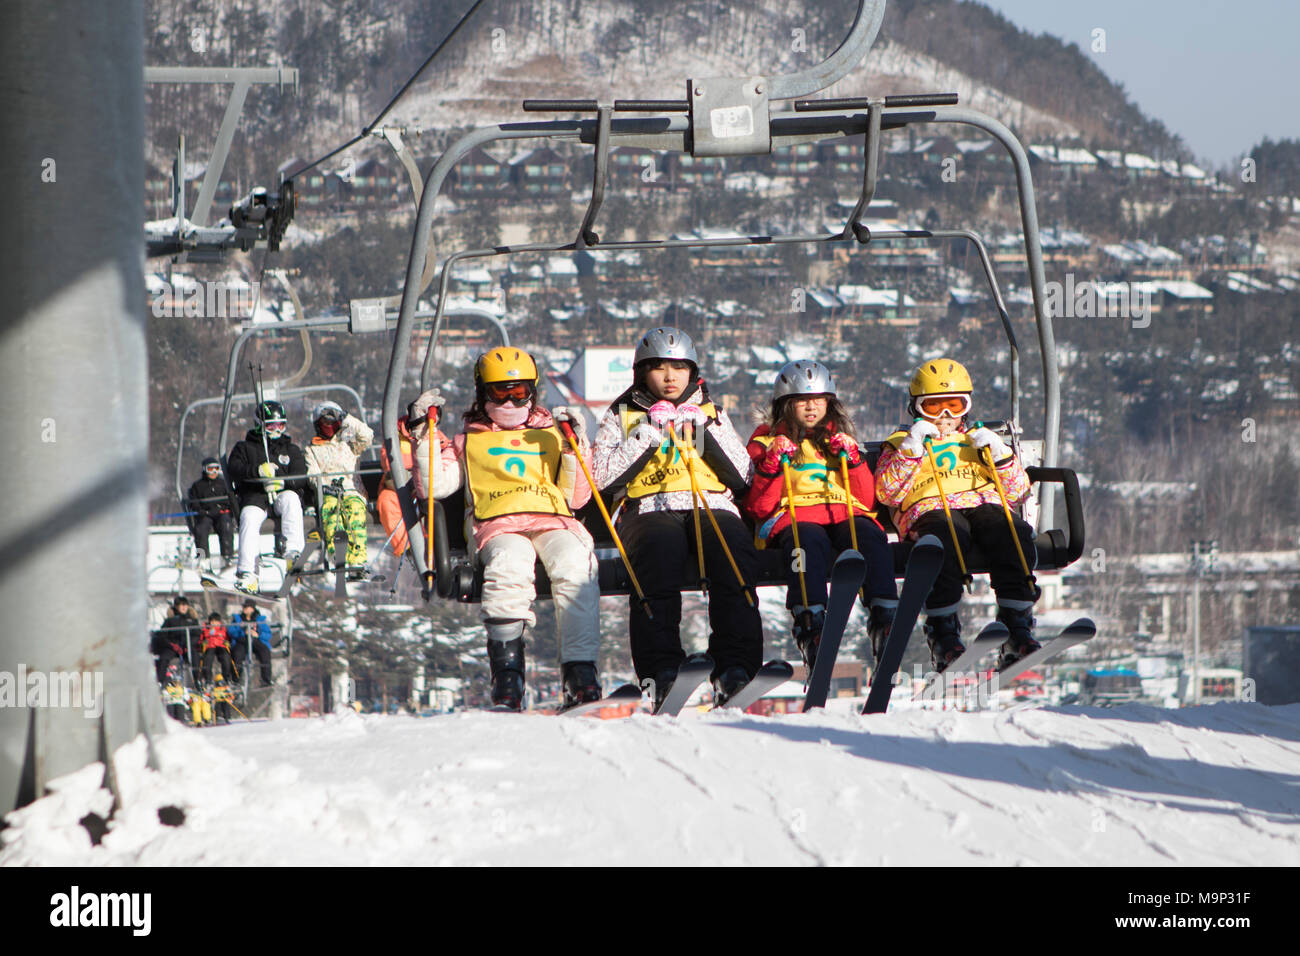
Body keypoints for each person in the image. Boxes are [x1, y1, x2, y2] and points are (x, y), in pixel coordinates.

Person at [592, 326, 763, 708]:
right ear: (641, 372)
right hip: (651, 506)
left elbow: (744, 475)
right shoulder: (622, 415)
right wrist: (648, 433)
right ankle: (662, 670)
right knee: (656, 562)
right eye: (659, 368)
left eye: (679, 368)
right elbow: (601, 476)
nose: (670, 378)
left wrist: (704, 428)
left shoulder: (709, 411)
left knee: (734, 558)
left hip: (710, 503)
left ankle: (734, 667)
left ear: (692, 371)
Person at [438, 347, 602, 711]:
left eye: (519, 392)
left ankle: (580, 672)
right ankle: (508, 675)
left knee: (578, 565)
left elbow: (576, 497)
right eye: (501, 392)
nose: (511, 400)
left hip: (552, 520)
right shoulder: (467, 440)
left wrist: (576, 447)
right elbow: (435, 486)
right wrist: (422, 441)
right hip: (497, 525)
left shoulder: (553, 435)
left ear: (533, 391)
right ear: (483, 392)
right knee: (509, 565)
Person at [874, 358, 1040, 671]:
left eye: (954, 405)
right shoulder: (900, 444)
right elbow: (887, 492)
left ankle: (1016, 624)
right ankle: (943, 632)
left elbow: (1018, 493)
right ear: (917, 408)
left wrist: (1001, 455)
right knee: (945, 538)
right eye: (934, 407)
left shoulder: (976, 442)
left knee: (1010, 530)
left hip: (983, 503)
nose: (946, 417)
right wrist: (910, 451)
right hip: (930, 508)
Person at [742, 360, 898, 669]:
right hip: (795, 516)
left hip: (842, 512)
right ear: (786, 405)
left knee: (870, 533)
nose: (811, 407)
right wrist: (772, 465)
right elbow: (758, 507)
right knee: (806, 542)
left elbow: (867, 500)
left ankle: (884, 614)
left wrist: (853, 461)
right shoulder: (765, 443)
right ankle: (810, 621)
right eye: (801, 400)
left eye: (819, 399)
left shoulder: (838, 441)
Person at [226, 400, 309, 594]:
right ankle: (248, 573)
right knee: (249, 517)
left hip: (281, 494)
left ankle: (293, 553)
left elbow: (300, 476)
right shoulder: (244, 448)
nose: (277, 429)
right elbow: (235, 470)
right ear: (259, 425)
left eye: (281, 425)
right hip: (255, 496)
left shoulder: (290, 449)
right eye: (271, 425)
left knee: (291, 500)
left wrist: (280, 479)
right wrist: (257, 471)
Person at [378, 388, 457, 557]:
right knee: (386, 501)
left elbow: (447, 451)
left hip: (422, 486)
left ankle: (433, 543)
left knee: (432, 502)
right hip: (400, 486)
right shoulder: (395, 437)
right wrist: (414, 462)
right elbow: (388, 461)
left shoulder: (435, 435)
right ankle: (406, 547)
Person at [303, 400, 374, 573]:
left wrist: (347, 418)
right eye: (325, 422)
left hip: (351, 489)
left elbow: (367, 436)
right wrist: (323, 486)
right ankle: (338, 555)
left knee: (355, 512)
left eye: (333, 421)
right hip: (328, 491)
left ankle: (357, 560)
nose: (329, 425)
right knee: (331, 512)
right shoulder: (312, 449)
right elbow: (312, 473)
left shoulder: (349, 443)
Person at [186, 457, 235, 574]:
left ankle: (227, 556)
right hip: (206, 514)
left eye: (216, 469)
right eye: (210, 469)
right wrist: (201, 510)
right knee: (200, 529)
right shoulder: (198, 486)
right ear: (204, 470)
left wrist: (225, 509)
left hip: (221, 513)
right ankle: (202, 558)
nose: (213, 472)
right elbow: (193, 502)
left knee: (226, 526)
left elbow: (231, 500)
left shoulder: (224, 484)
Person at [151, 596, 199, 685]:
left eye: (185, 605)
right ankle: (160, 681)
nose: (184, 607)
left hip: (187, 646)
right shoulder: (170, 621)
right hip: (173, 647)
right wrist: (172, 645)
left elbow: (196, 634)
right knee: (164, 658)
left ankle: (198, 681)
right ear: (176, 607)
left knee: (195, 656)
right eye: (181, 605)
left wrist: (189, 645)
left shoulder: (192, 620)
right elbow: (162, 635)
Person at [228, 600, 274, 686]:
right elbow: (231, 631)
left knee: (265, 653)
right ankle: (235, 679)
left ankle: (266, 679)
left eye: (246, 607)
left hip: (255, 640)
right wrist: (243, 632)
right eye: (244, 607)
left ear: (252, 609)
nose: (244, 609)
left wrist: (258, 634)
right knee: (237, 655)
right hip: (242, 640)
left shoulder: (260, 620)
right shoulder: (237, 619)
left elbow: (268, 634)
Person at [199, 612, 236, 686]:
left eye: (216, 621)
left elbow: (228, 637)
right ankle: (207, 679)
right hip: (210, 645)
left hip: (221, 645)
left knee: (225, 658)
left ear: (219, 622)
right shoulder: (206, 629)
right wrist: (202, 643)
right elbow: (201, 638)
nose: (214, 623)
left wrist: (228, 642)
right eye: (212, 621)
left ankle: (227, 677)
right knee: (207, 659)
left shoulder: (223, 629)